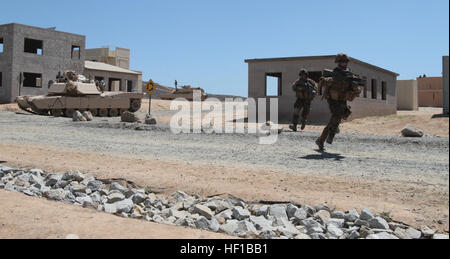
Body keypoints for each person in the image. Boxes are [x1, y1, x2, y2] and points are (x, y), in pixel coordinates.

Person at [315, 53, 361, 151]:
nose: (344, 63)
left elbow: (356, 90)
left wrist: (354, 86)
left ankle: (323, 138)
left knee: (341, 117)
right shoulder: (334, 73)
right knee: (334, 119)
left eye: (345, 62)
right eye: (342, 61)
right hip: (333, 100)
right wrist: (332, 80)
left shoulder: (350, 75)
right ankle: (323, 139)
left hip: (342, 100)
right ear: (338, 62)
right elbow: (322, 82)